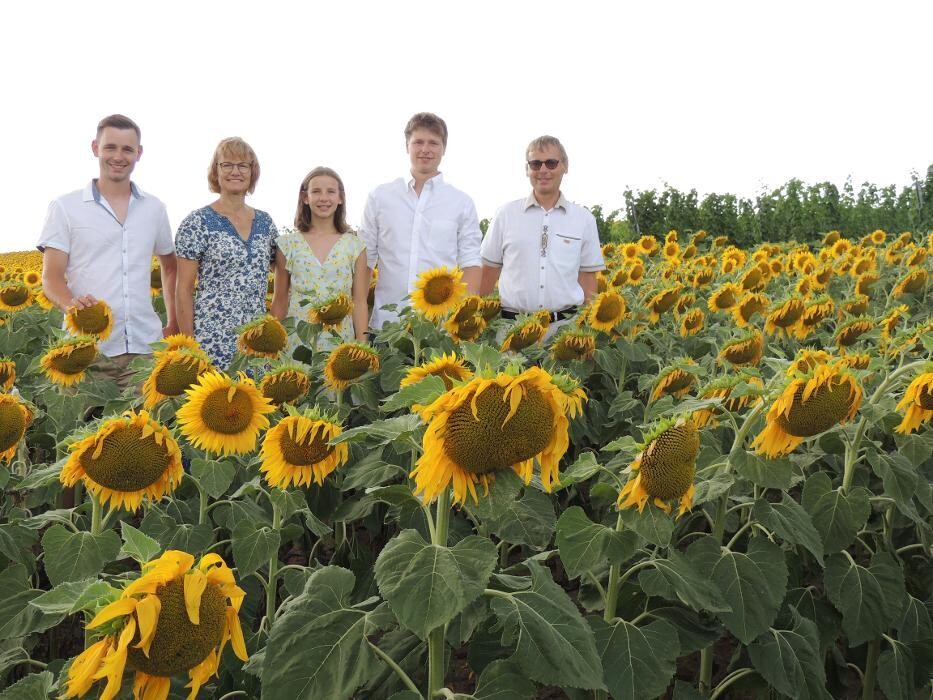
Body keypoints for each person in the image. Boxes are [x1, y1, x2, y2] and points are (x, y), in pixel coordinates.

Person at [38, 114, 177, 388]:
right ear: (95, 148)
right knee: (86, 417)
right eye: (110, 147)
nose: (118, 157)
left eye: (127, 149)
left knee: (143, 417)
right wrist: (71, 305)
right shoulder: (65, 207)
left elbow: (170, 266)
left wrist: (172, 320)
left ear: (139, 153)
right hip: (86, 350)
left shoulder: (154, 209)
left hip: (144, 350)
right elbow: (50, 277)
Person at [359, 112, 482, 330]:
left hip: (439, 329)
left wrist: (459, 320)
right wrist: (360, 320)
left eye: (433, 143)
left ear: (443, 148)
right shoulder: (380, 197)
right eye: (418, 142)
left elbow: (470, 262)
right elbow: (365, 259)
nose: (425, 149)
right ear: (407, 146)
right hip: (386, 325)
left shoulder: (461, 202)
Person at [480, 135, 604, 336]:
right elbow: (489, 271)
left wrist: (587, 331)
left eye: (551, 163)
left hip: (565, 330)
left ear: (565, 166)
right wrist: (475, 321)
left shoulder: (583, 219)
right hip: (512, 330)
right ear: (527, 169)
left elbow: (587, 278)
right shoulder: (506, 215)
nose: (543, 170)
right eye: (536, 164)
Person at [175, 137, 278, 370]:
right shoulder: (197, 222)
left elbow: (284, 272)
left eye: (243, 165)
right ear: (216, 171)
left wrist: (274, 323)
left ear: (252, 172)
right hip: (211, 341)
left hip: (256, 342)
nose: (235, 171)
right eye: (227, 165)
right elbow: (183, 289)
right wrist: (190, 346)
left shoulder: (266, 223)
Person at [271, 167, 369, 355]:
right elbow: (280, 299)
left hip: (340, 345)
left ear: (340, 198)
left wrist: (362, 347)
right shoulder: (288, 245)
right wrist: (273, 349)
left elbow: (359, 301)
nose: (324, 198)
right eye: (316, 191)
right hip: (296, 343)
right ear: (305, 198)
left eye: (331, 191)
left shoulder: (355, 246)